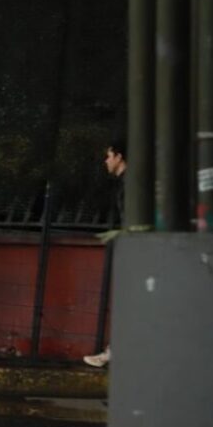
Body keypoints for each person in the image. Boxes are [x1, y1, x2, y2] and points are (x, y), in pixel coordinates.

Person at [83, 140, 125, 368]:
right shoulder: (125, 184)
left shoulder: (130, 184)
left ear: (119, 157)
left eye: (109, 156)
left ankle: (114, 351)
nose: (106, 161)